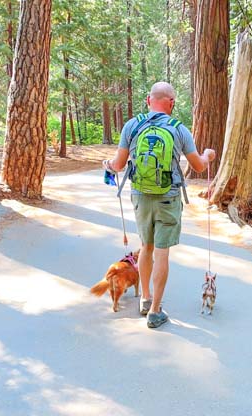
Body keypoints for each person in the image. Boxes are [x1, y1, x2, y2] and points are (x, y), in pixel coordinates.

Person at [103, 82, 215, 329]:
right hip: (169, 197)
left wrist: (107, 165)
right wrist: (208, 155)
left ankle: (145, 298)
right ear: (172, 103)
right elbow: (198, 166)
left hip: (141, 197)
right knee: (162, 252)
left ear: (148, 99)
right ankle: (155, 311)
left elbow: (119, 165)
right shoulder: (179, 130)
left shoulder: (132, 126)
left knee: (146, 248)